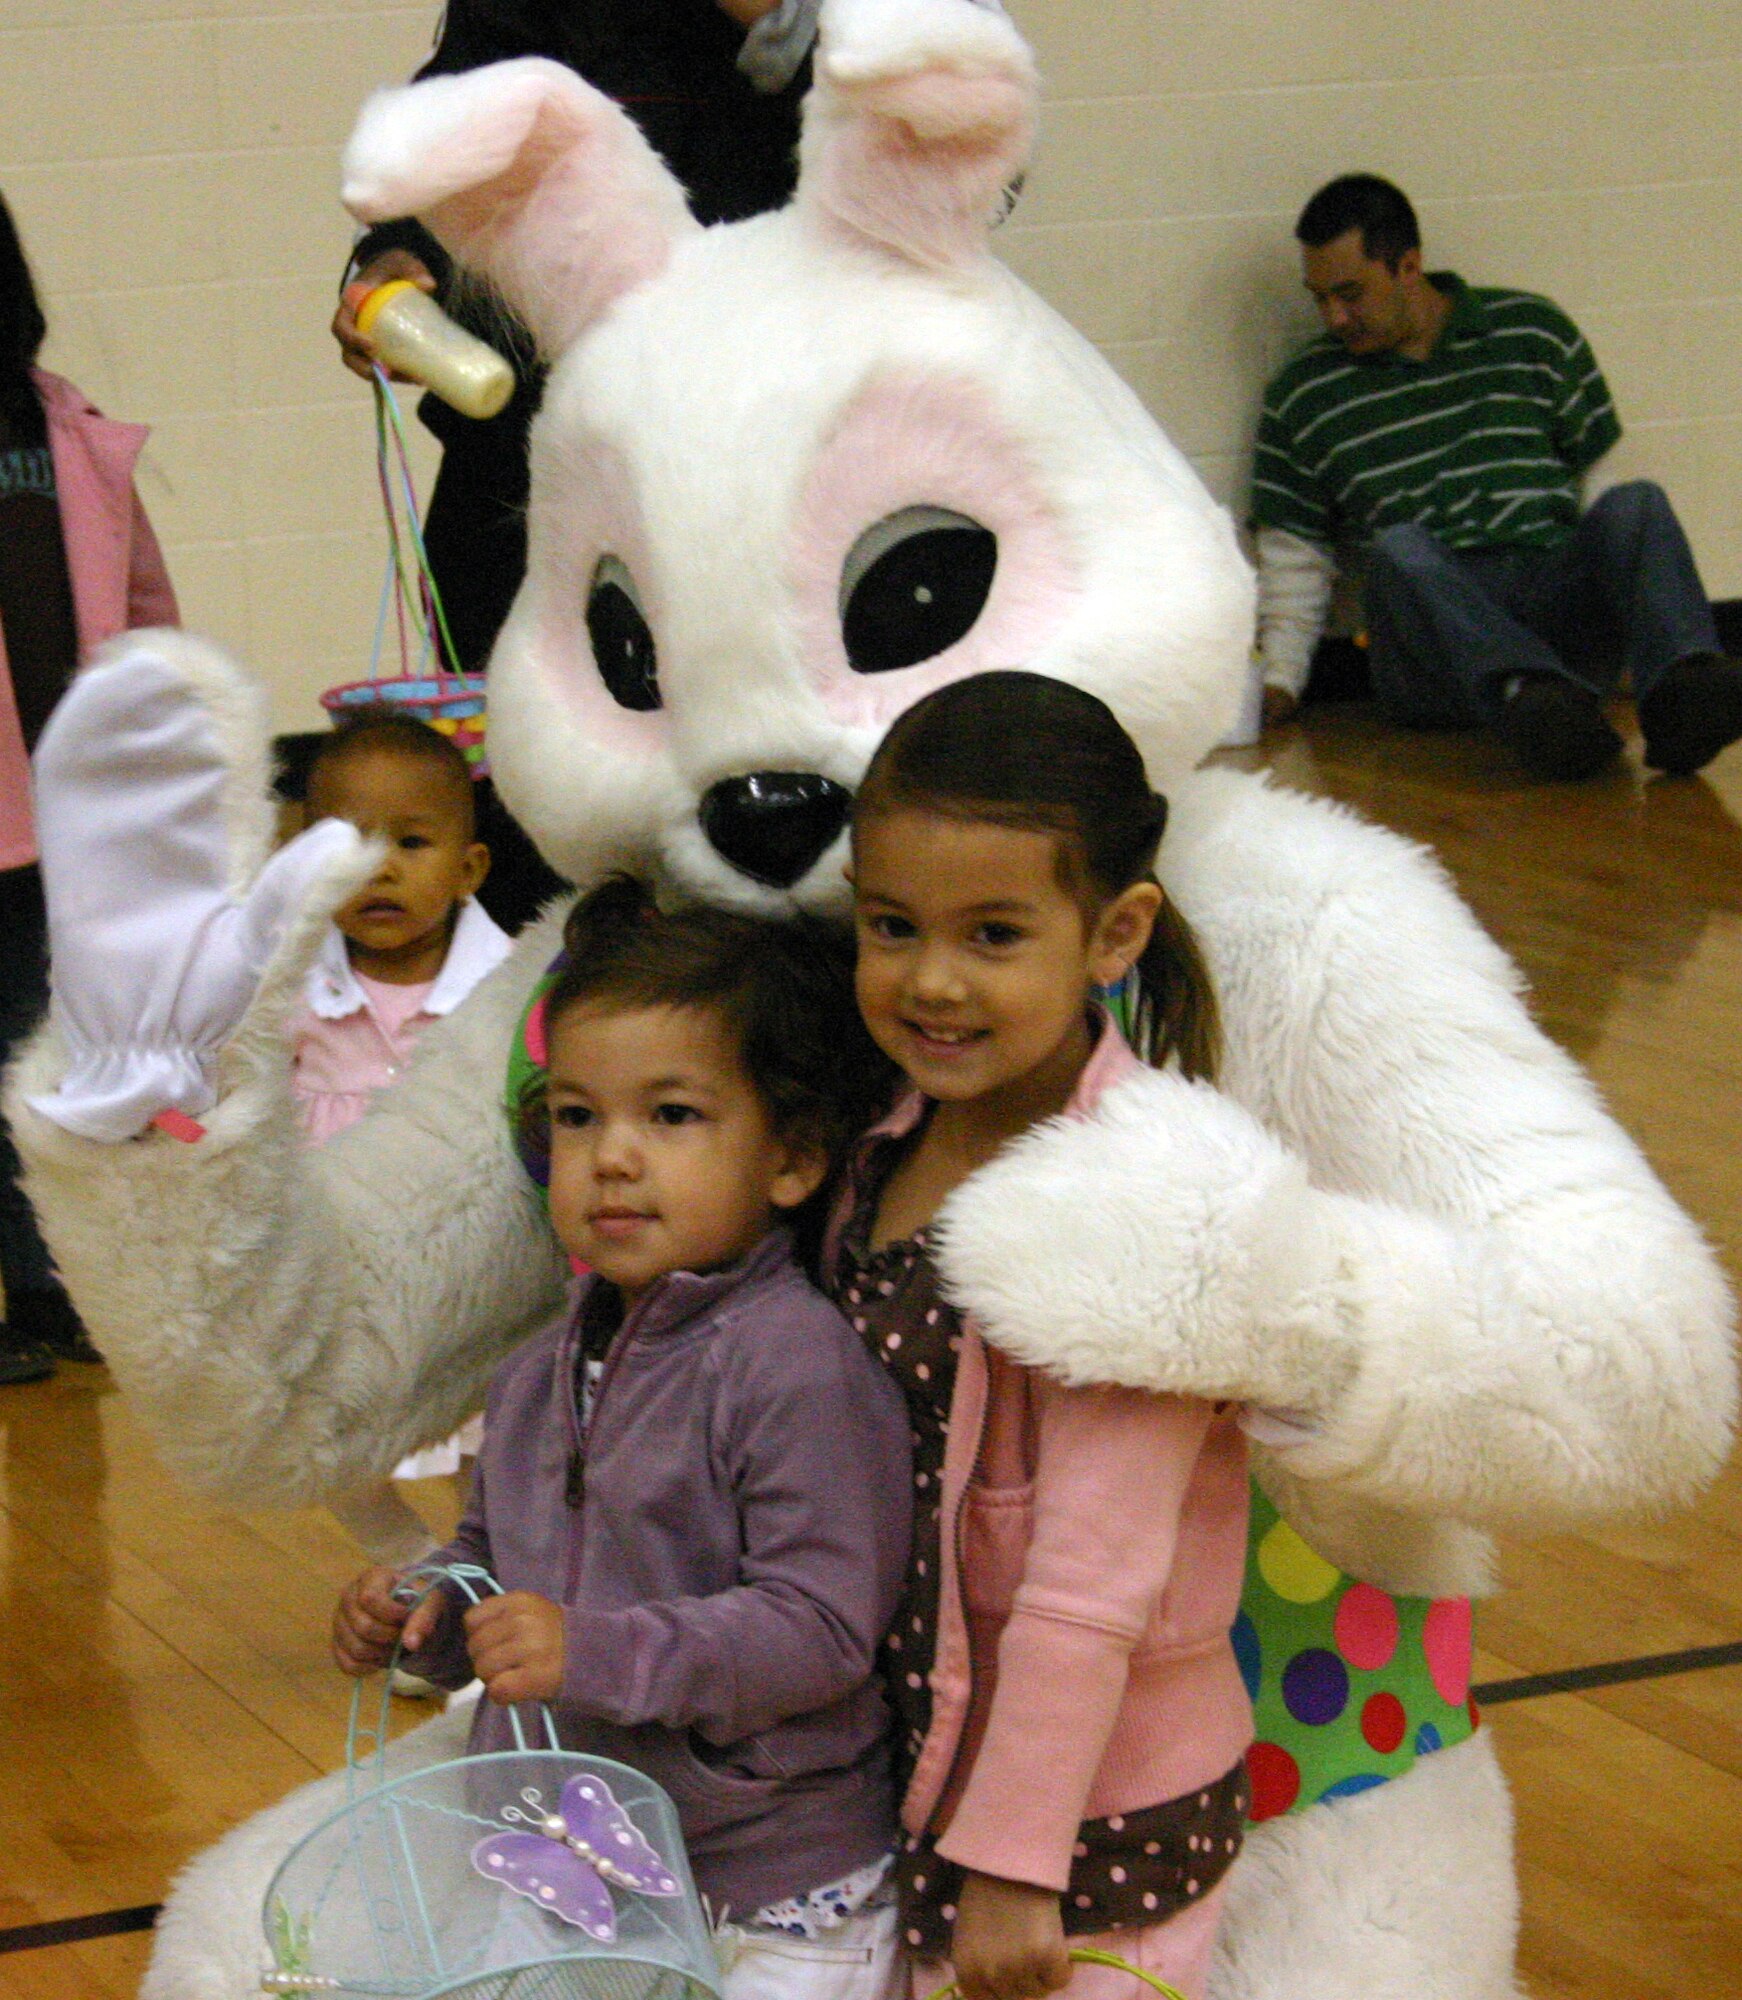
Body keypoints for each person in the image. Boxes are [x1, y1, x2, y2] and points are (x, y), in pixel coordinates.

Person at [331, 876, 912, 1997]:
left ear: (791, 1159)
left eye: (672, 1114)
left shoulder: (793, 1362)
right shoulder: (537, 1367)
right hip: (571, 1860)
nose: (611, 1154)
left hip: (769, 1884)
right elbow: (496, 1554)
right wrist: (432, 1609)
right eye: (578, 1113)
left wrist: (593, 1650)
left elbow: (821, 1626)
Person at [836, 673, 1252, 2000]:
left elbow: (1093, 1577)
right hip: (919, 1759)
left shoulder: (1134, 1200)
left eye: (994, 935)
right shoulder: (878, 1141)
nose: (930, 981)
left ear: (1114, 933)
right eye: (890, 925)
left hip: (1087, 1818)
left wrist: (1016, 1862)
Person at [330, 0, 819, 930]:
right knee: (530, 812)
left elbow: (962, 165)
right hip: (538, 462)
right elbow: (456, 135)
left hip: (774, 455)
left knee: (756, 817)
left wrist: (783, 21)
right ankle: (535, 1045)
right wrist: (395, 261)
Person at [1252, 172, 1742, 780]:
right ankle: (1525, 696)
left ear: (1409, 266)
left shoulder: (1531, 331)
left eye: (1350, 293)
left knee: (1637, 502)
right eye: (1319, 297)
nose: (1335, 317)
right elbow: (1295, 555)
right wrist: (1281, 680)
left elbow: (1601, 490)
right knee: (1401, 547)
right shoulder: (1304, 393)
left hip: (1551, 596)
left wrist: (1624, 630)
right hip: (1434, 647)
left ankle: (1683, 690)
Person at [0, 189, 178, 1385]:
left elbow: (146, 597)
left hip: (64, 805)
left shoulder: (60, 426)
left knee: (46, 1051)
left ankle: (53, 1283)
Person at [293, 711, 512, 1578]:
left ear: (469, 869)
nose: (379, 868)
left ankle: (488, 1601)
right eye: (350, 845)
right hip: (336, 1265)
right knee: (327, 1440)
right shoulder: (287, 984)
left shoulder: (506, 984)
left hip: (468, 1269)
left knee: (481, 1445)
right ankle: (422, 1575)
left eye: (412, 843)